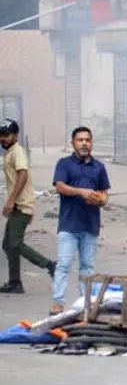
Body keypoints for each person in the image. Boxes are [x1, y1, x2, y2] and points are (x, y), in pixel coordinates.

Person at [50, 127, 110, 314]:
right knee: (64, 264)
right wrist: (81, 191)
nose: (84, 143)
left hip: (90, 226)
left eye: (87, 140)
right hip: (69, 225)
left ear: (91, 143)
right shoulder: (64, 164)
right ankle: (58, 301)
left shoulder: (99, 167)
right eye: (80, 140)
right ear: (73, 143)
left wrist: (101, 199)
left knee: (87, 267)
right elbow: (60, 186)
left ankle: (85, 303)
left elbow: (105, 194)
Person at [0, 119, 54, 294]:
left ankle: (49, 264)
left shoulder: (18, 152)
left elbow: (23, 174)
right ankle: (15, 282)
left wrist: (11, 200)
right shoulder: (9, 153)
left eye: (6, 135)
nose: (2, 139)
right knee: (8, 244)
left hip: (21, 205)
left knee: (14, 243)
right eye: (1, 135)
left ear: (15, 135)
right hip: (18, 204)